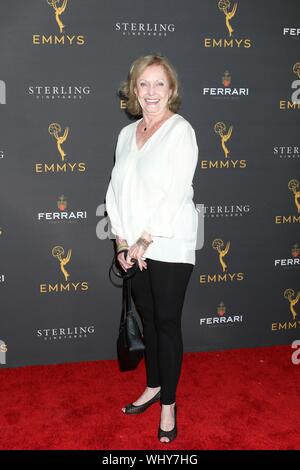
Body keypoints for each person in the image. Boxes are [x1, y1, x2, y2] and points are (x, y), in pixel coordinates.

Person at [105, 54, 199, 443]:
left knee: (166, 324)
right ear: (134, 90)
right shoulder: (127, 135)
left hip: (170, 244)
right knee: (148, 320)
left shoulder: (180, 131)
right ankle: (154, 385)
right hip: (135, 248)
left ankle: (168, 406)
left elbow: (176, 191)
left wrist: (145, 238)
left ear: (171, 90)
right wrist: (122, 240)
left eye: (159, 84)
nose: (151, 92)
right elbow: (116, 191)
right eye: (144, 84)